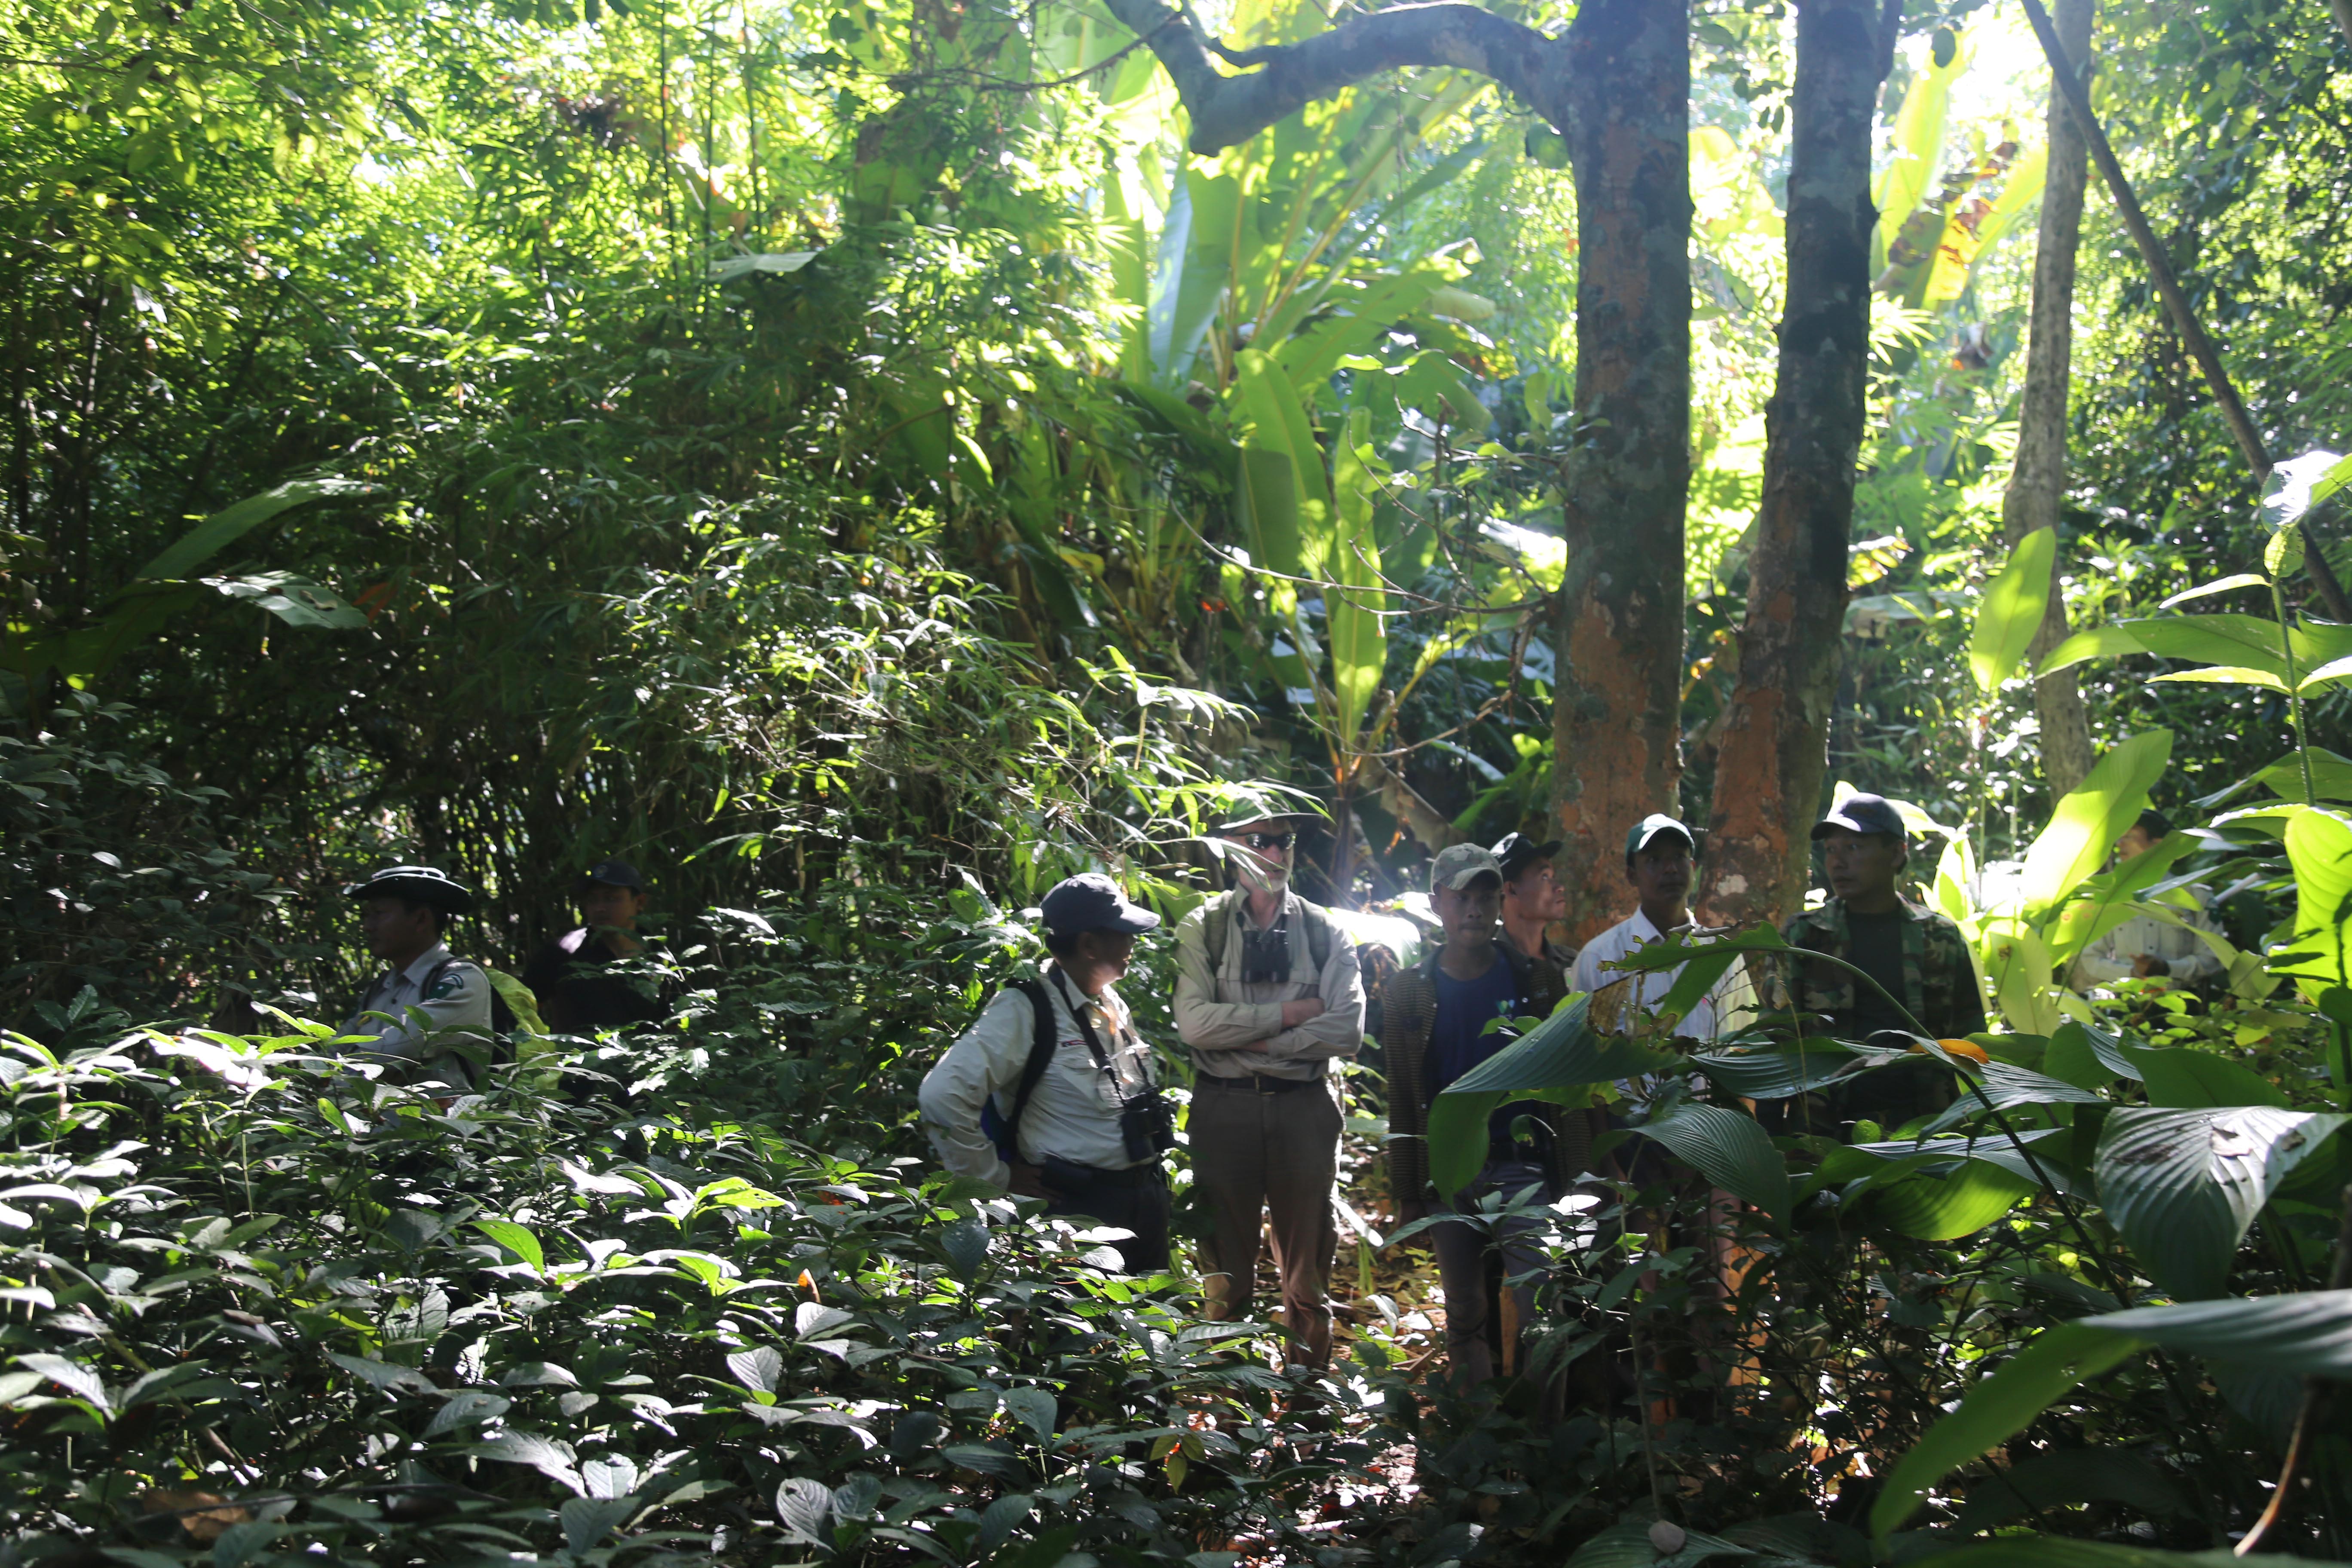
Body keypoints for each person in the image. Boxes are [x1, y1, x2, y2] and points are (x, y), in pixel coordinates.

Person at [1173, 797, 1364, 1368]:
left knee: (1308, 1278)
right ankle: (1230, 1419)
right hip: (1223, 1111)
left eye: (1283, 841)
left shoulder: (1327, 932)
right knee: (1226, 1281)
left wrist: (1249, 1039)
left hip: (1302, 1110)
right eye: (1260, 841)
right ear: (1232, 849)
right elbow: (1194, 1024)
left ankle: (1307, 1407)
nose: (1275, 853)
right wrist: (1290, 1014)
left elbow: (1346, 1031)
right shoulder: (1203, 927)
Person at [1381, 843, 1578, 1390]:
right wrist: (1408, 1194)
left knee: (1543, 1309)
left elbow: (1564, 1081)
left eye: (1485, 896)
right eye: (1460, 897)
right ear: (1436, 903)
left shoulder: (1535, 981)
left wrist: (1578, 1177)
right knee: (1465, 1311)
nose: (1474, 909)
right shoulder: (1408, 992)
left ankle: (1543, 1440)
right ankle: (1474, 1433)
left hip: (1523, 1167)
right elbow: (1404, 1097)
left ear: (1500, 901)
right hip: (1450, 1175)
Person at [918, 873, 1174, 1274]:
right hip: (1078, 1212)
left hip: (1144, 1199)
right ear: (1089, 944)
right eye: (1122, 933)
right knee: (1083, 1334)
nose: (1132, 943)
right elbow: (941, 1097)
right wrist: (994, 1179)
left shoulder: (1107, 998)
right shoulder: (1025, 1008)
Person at [1775, 794, 1987, 1130]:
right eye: (1831, 850)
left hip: (1926, 1126)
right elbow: (1778, 1039)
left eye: (1854, 848)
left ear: (1896, 854)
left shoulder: (1940, 937)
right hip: (1825, 1127)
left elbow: (1973, 1038)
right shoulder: (1804, 936)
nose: (1838, 863)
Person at [1573, 815, 1756, 1041]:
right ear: (1632, 876)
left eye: (1679, 857)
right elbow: (1585, 1051)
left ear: (1692, 869)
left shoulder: (1722, 956)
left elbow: (1743, 1042)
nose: (1670, 869)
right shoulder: (1601, 959)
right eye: (1654, 860)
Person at [338, 866, 494, 1093]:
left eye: (378, 914)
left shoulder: (463, 980)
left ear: (421, 919)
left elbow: (402, 1046)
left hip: (440, 1128)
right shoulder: (379, 988)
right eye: (366, 915)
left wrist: (343, 1061)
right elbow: (337, 1045)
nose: (367, 927)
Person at [2070, 809, 2225, 992]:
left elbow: (2213, 959)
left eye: (2130, 836)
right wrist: (2132, 974)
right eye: (2120, 837)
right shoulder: (2109, 898)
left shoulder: (2196, 896)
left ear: (2158, 845)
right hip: (2128, 1007)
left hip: (2187, 1006)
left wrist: (2166, 969)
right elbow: (2091, 958)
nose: (2120, 844)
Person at [522, 859, 667, 1034]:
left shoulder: (658, 955)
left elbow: (677, 1022)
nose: (600, 908)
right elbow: (521, 1011)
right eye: (592, 900)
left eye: (611, 899)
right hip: (579, 1059)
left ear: (640, 902)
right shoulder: (564, 952)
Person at [1494, 831, 1577, 983]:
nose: (1559, 887)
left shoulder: (1571, 963)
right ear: (1512, 890)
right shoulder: (1486, 970)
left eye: (1553, 877)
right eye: (1544, 877)